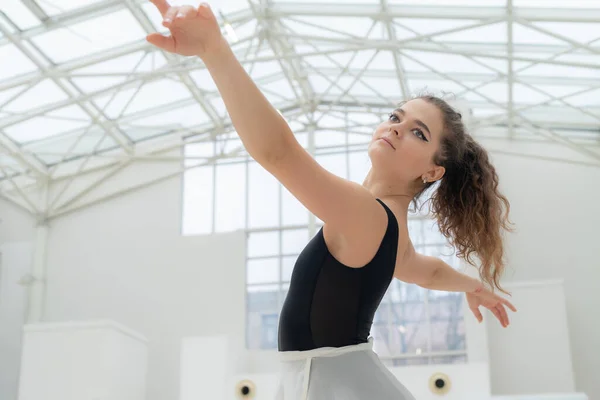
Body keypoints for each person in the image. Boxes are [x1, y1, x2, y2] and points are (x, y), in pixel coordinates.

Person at [147, 2, 517, 399]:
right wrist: (472, 285)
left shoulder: (368, 215)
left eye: (418, 133)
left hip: (333, 385)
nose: (396, 129)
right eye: (396, 117)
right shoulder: (390, 228)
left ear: (432, 172)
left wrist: (214, 50)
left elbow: (279, 153)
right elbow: (424, 271)